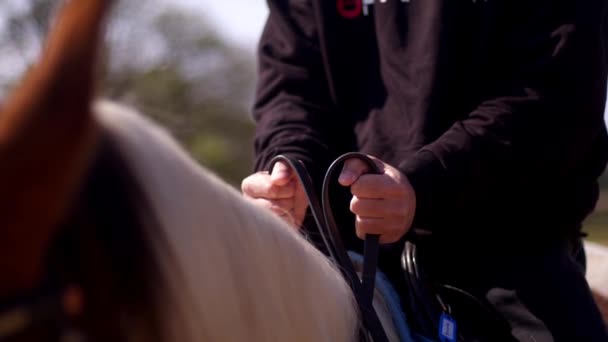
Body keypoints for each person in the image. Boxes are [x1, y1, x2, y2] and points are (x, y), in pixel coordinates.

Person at [241, 0, 608, 341]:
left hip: (503, 245)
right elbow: (291, 84)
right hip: (333, 241)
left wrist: (425, 185)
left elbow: (557, 94)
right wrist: (288, 168)